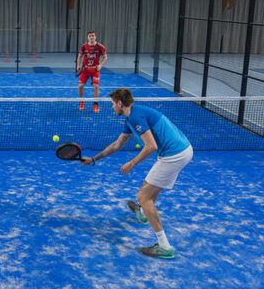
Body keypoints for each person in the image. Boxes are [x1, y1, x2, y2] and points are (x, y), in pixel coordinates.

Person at [81, 88, 193, 258]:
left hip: (174, 155)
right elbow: (118, 144)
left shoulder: (135, 117)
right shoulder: (131, 117)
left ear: (120, 103)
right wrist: (93, 159)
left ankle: (164, 246)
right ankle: (142, 213)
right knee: (148, 186)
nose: (112, 107)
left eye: (113, 104)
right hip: (181, 150)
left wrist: (132, 163)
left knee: (144, 197)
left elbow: (151, 146)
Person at [77, 31, 106, 112]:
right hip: (85, 70)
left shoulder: (100, 47)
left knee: (96, 87)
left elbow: (105, 57)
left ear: (95, 37)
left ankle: (95, 105)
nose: (91, 37)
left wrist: (100, 65)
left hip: (95, 70)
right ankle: (81, 102)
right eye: (90, 36)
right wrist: (78, 66)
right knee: (80, 86)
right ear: (88, 37)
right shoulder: (83, 47)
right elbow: (79, 56)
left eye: (93, 36)